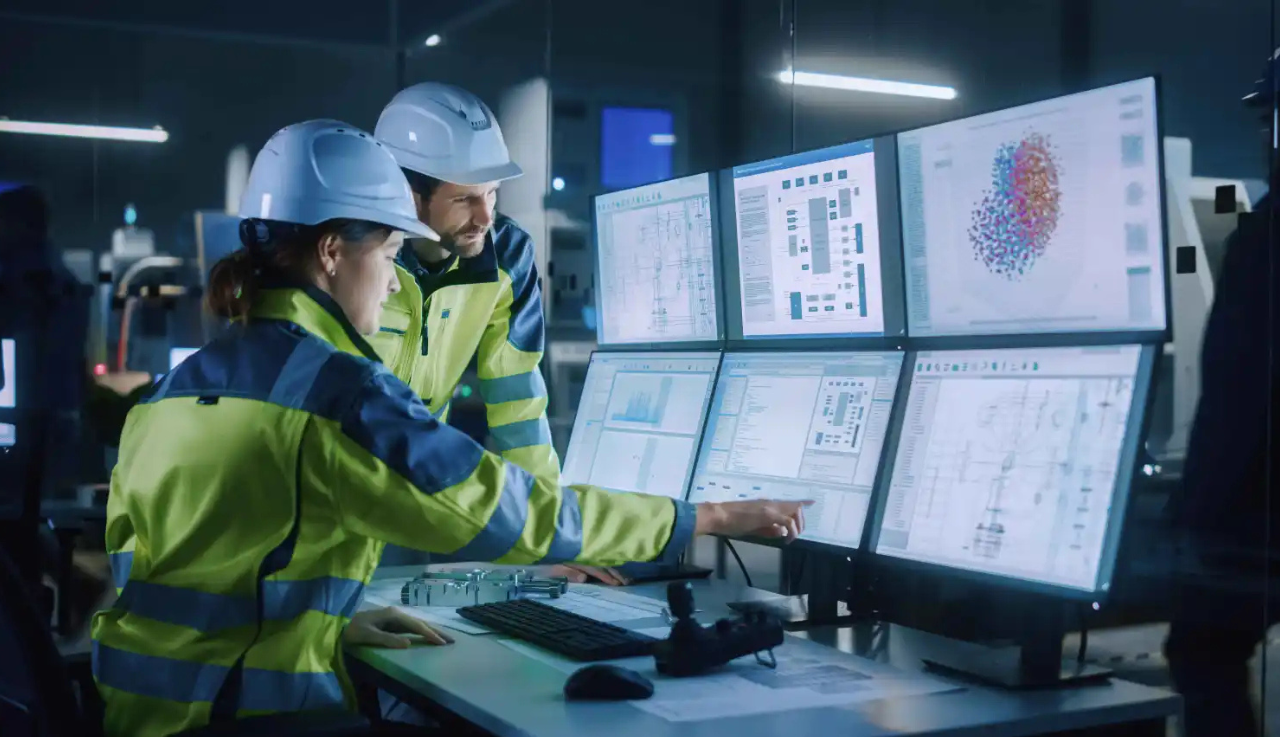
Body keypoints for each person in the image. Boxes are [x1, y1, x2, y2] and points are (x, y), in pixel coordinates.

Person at [89, 119, 808, 737]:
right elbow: (502, 508)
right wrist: (701, 516)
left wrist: (327, 627)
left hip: (142, 711)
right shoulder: (337, 392)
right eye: (391, 256)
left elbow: (174, 571)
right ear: (334, 252)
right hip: (252, 715)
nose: (395, 281)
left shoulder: (173, 392)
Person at [372, 83, 626, 584]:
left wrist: (549, 537)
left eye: (493, 193)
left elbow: (518, 408)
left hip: (410, 497)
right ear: (407, 193)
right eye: (465, 199)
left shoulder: (506, 255)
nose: (486, 217)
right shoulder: (359, 256)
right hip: (327, 492)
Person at [1163, 50, 1280, 737]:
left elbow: (1240, 396)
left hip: (1253, 520)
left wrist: (1192, 515)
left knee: (1203, 651)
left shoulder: (1263, 237)